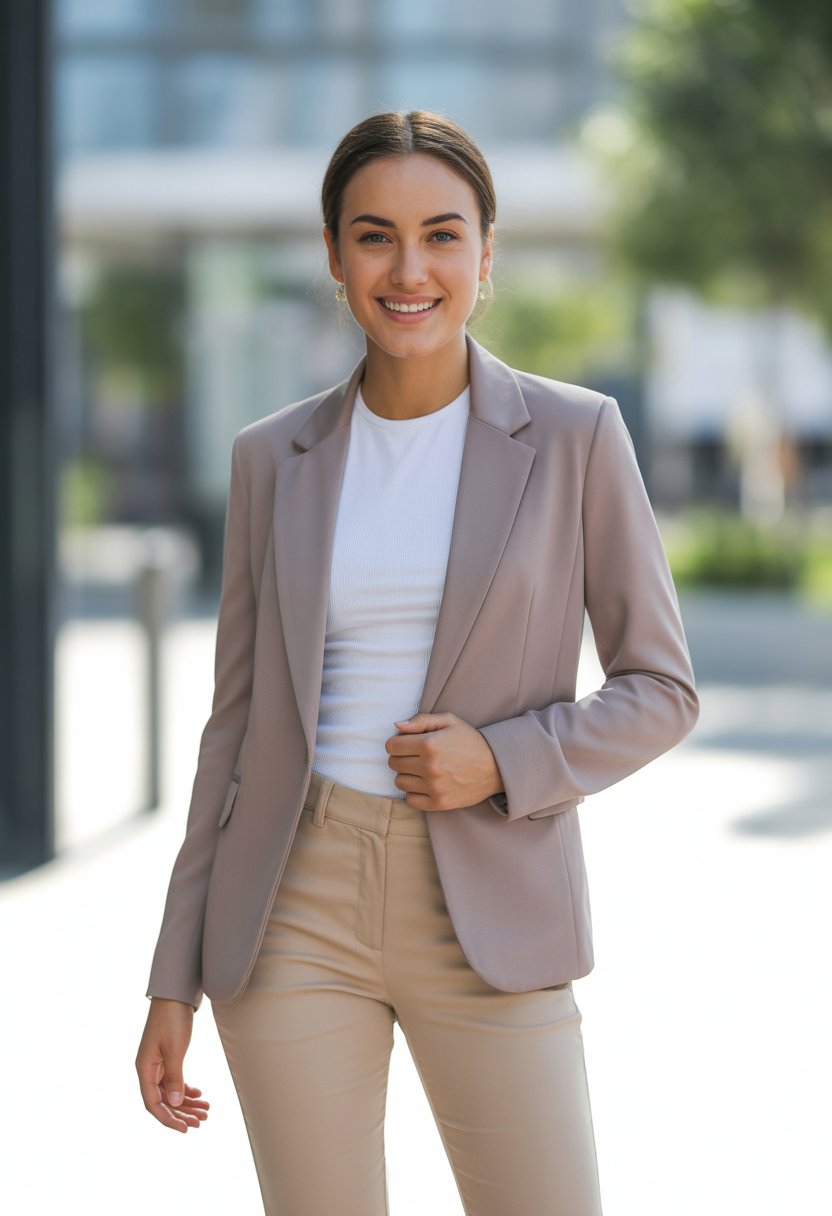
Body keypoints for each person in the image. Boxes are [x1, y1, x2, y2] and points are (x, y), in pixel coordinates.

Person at [136, 110, 700, 1216]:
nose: (409, 268)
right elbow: (232, 730)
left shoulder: (577, 436)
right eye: (374, 236)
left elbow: (661, 688)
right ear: (335, 259)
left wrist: (502, 757)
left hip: (490, 901)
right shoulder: (272, 459)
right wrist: (172, 978)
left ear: (486, 259)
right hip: (294, 901)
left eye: (442, 235)